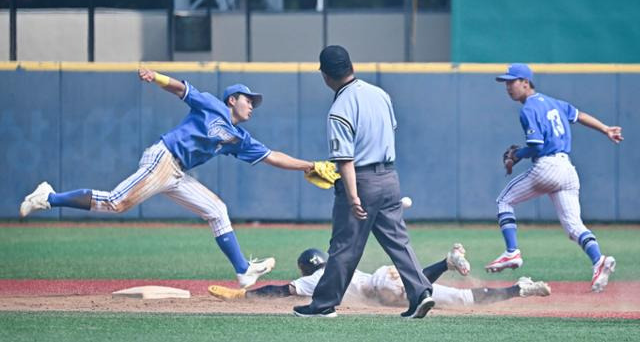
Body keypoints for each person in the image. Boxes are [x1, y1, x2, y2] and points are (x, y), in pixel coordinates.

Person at [19, 68, 315, 288]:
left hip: (177, 174)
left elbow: (273, 156)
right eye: (248, 100)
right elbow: (182, 90)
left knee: (217, 210)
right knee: (114, 203)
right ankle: (48, 197)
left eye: (254, 102)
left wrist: (308, 165)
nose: (252, 105)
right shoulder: (213, 105)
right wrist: (156, 77)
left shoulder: (240, 138)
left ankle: (243, 270)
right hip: (164, 158)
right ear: (232, 99)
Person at [292, 45, 434, 319]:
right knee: (399, 242)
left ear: (325, 75)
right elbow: (390, 131)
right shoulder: (380, 94)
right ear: (351, 67)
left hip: (361, 180)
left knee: (345, 245)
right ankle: (421, 294)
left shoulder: (339, 108)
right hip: (389, 176)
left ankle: (322, 306)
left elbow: (345, 159)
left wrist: (353, 196)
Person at [487, 63, 624, 293]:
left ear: (526, 82)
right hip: (568, 170)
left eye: (512, 81)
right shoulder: (553, 103)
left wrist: (516, 156)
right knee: (574, 226)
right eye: (506, 82)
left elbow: (536, 145)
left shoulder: (528, 108)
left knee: (504, 201)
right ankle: (599, 261)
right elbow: (579, 116)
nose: (508, 87)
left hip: (548, 166)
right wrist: (606, 129)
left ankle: (512, 252)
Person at [208, 244, 551, 307]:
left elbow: (280, 290)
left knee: (426, 293)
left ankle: (446, 264)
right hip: (386, 277)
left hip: (382, 286)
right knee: (462, 298)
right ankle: (518, 289)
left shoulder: (317, 279)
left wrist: (243, 295)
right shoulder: (338, 264)